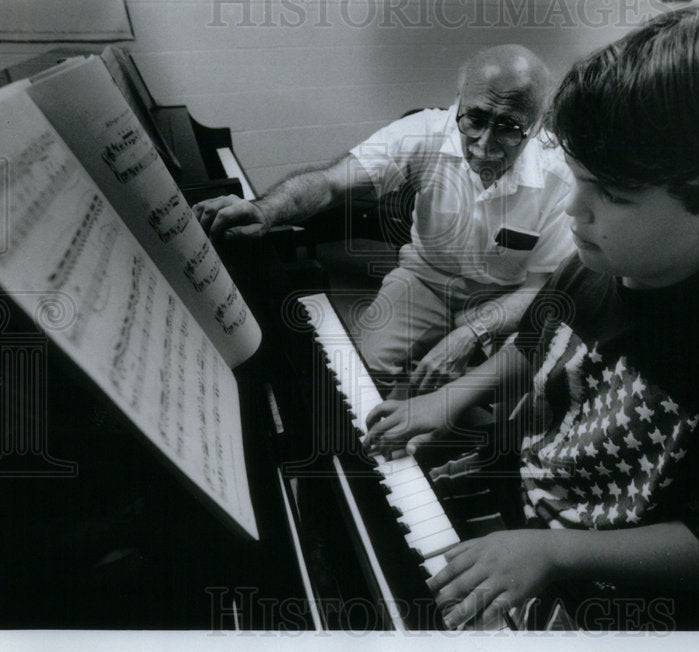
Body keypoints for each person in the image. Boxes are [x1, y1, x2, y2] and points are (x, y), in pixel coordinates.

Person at [363, 2, 699, 630]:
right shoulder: (594, 258)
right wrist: (443, 403)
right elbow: (533, 346)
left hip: (614, 580)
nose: (574, 211)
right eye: (578, 179)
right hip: (529, 504)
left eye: (614, 194)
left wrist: (555, 551)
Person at [194, 45, 576, 394]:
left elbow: (540, 287)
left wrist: (472, 332)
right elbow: (330, 184)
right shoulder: (426, 131)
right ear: (458, 102)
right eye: (475, 118)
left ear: (537, 123)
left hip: (503, 297)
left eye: (508, 128)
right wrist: (265, 210)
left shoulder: (559, 176)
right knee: (363, 372)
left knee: (512, 392)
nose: (484, 143)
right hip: (424, 278)